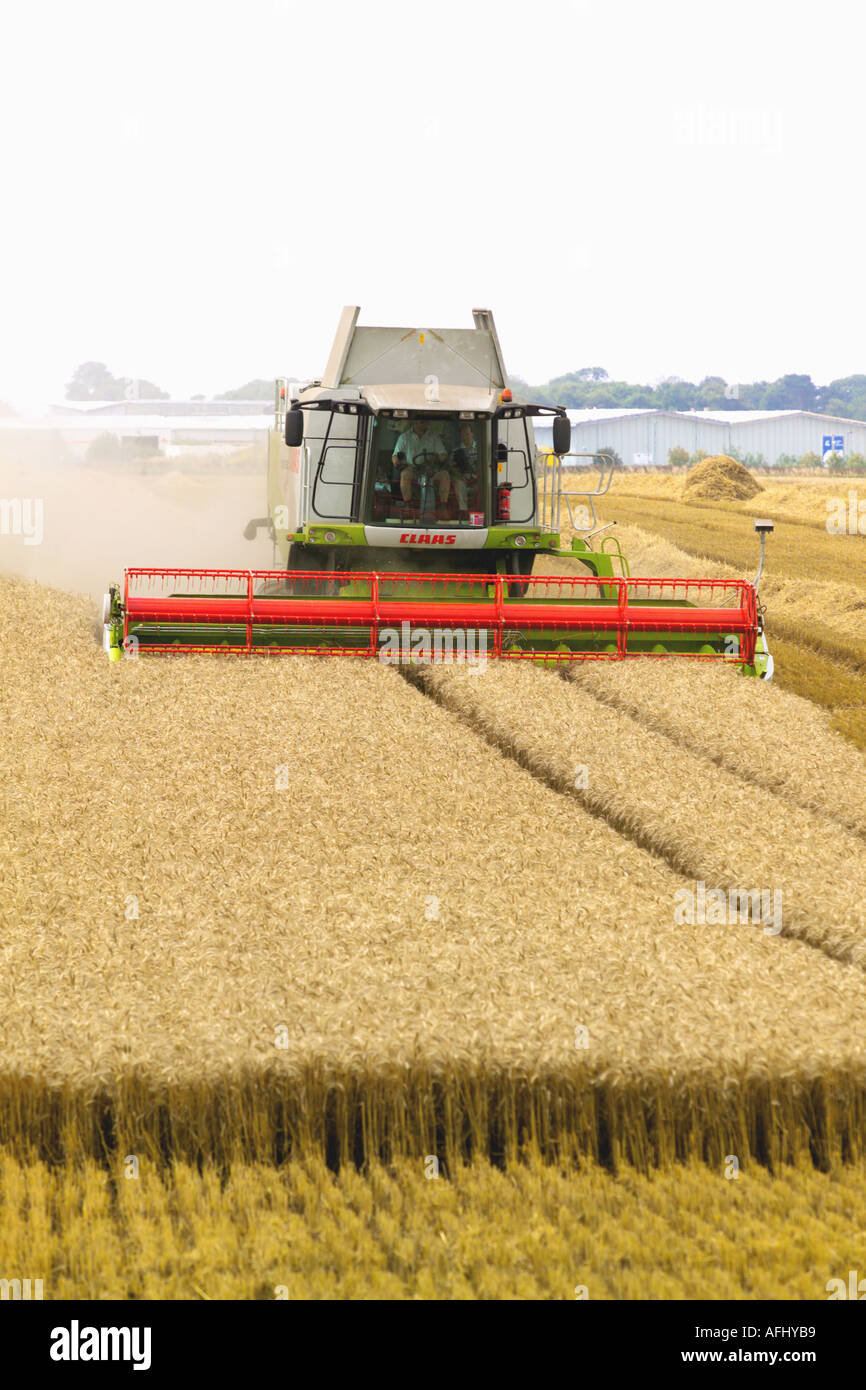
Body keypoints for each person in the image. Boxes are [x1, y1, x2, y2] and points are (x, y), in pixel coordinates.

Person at [392, 419, 450, 506]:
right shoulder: (404, 437)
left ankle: (443, 506)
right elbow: (395, 455)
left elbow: (443, 454)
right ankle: (407, 505)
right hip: (413, 469)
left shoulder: (434, 436)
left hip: (431, 470)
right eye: (422, 422)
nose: (425, 424)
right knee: (405, 474)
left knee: (445, 475)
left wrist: (438, 457)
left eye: (426, 422)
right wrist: (396, 461)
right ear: (415, 422)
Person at [449, 423, 478, 514]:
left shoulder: (481, 448)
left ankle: (480, 511)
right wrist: (462, 475)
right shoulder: (456, 451)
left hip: (478, 480)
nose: (465, 437)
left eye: (467, 434)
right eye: (462, 435)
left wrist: (477, 475)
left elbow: (486, 464)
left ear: (472, 434)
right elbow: (451, 467)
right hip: (462, 479)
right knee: (459, 484)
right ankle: (464, 512)